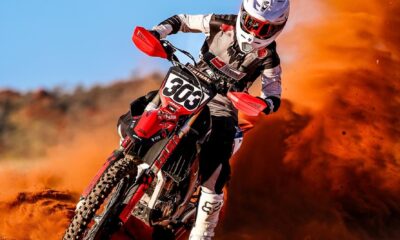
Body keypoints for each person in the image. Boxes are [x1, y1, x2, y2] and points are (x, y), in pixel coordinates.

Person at [121, 1, 289, 239]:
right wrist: (157, 32)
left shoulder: (269, 57)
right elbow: (183, 20)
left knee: (216, 167)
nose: (255, 32)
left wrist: (262, 104)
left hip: (223, 103)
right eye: (252, 23)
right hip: (190, 82)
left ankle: (202, 234)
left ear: (278, 27)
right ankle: (119, 165)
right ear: (243, 14)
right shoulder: (221, 22)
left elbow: (273, 94)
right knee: (143, 106)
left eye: (265, 29)